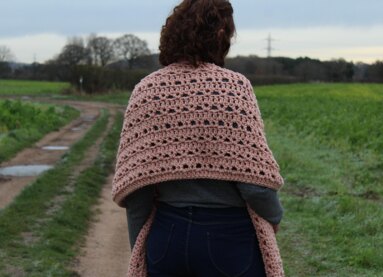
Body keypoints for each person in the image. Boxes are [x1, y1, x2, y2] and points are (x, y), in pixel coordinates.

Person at [112, 0, 285, 276]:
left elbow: (137, 192)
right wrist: (275, 217)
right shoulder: (234, 88)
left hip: (166, 237)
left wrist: (142, 250)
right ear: (219, 36)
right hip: (228, 241)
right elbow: (256, 186)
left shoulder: (146, 90)